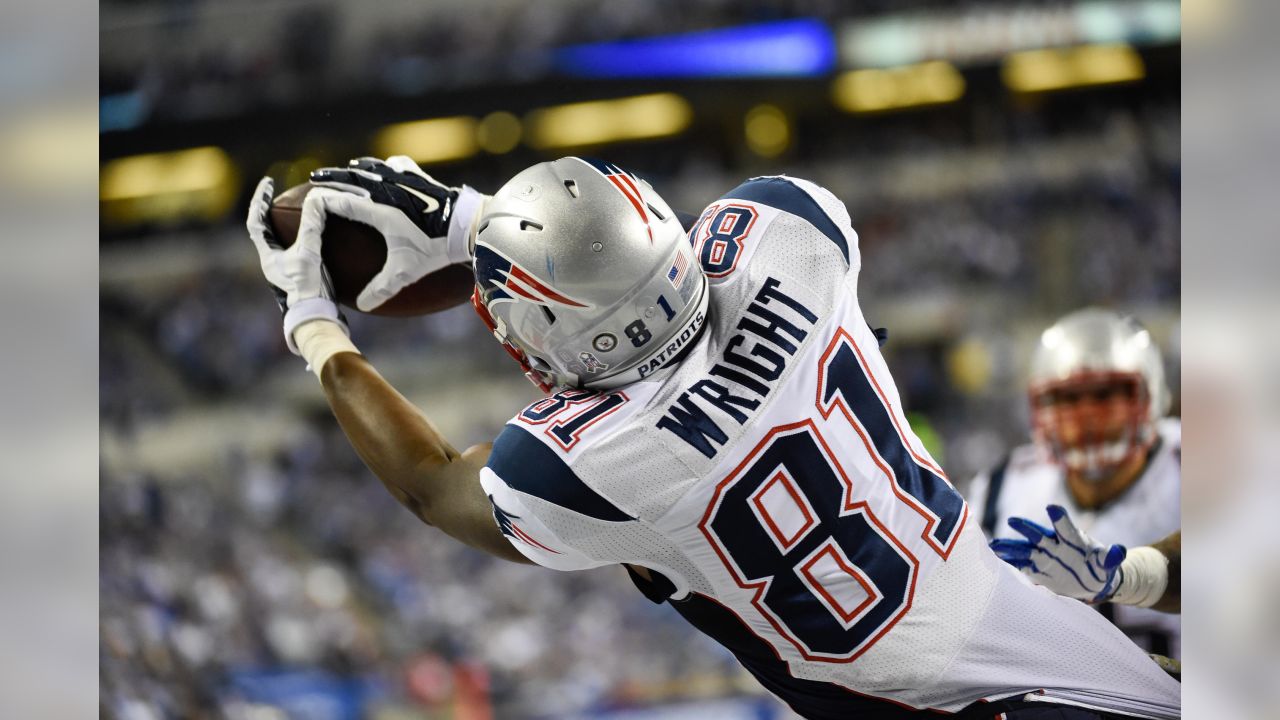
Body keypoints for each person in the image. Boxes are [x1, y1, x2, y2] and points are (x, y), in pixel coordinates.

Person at [246, 156, 1181, 719]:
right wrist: (486, 219)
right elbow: (644, 249)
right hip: (1044, 637)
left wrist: (313, 319)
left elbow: (430, 484)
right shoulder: (790, 230)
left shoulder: (590, 462)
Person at [968, 309, 1181, 657]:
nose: (1085, 416)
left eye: (1105, 394)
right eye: (1066, 398)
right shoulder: (1002, 485)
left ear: (1151, 395)